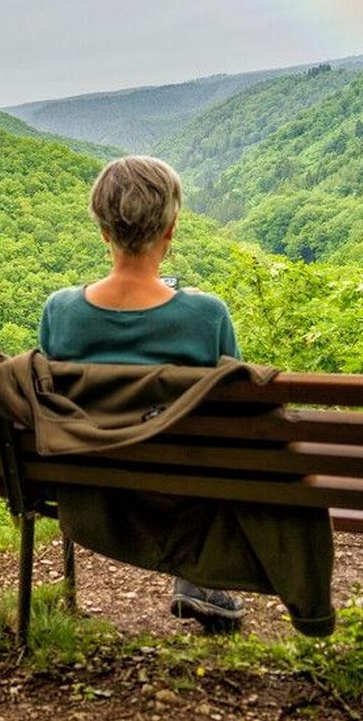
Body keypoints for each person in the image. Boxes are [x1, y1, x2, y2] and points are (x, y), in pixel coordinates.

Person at [37, 154, 245, 631]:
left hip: (89, 482)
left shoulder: (60, 311)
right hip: (182, 486)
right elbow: (235, 412)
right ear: (170, 231)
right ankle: (201, 577)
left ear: (104, 231)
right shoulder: (207, 316)